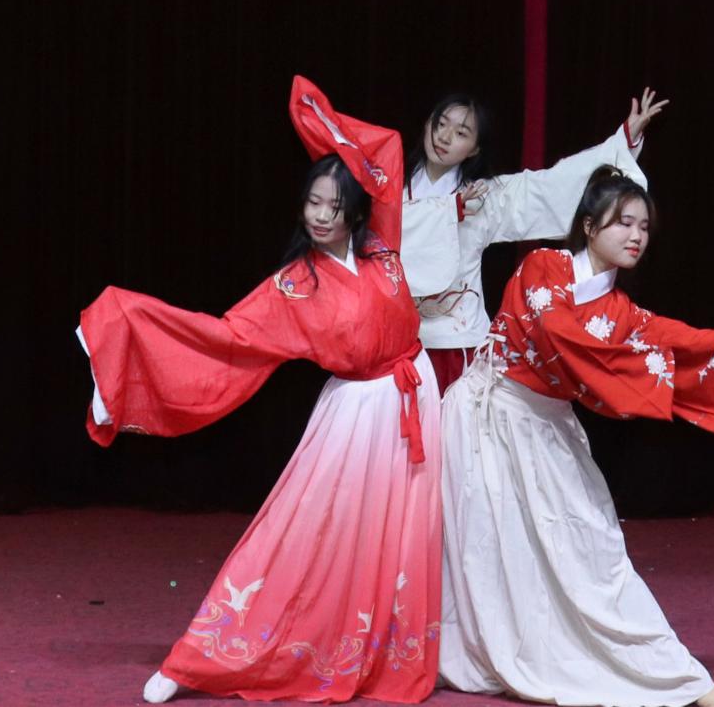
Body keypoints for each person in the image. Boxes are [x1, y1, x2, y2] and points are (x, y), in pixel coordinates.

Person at [75, 77, 442, 704]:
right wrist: (128, 329)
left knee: (403, 538)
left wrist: (322, 127)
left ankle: (377, 651)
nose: (320, 216)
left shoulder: (382, 245)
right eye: (312, 203)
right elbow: (226, 340)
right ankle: (201, 659)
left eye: (333, 205)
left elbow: (384, 148)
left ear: (357, 210)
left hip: (414, 398)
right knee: (304, 534)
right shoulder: (295, 285)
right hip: (355, 414)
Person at [439, 166, 714, 707]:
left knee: (594, 545)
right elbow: (557, 333)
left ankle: (667, 672)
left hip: (547, 425)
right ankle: (487, 652)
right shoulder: (543, 266)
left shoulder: (625, 316)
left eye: (644, 226)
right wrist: (620, 359)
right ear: (589, 226)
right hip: (488, 418)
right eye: (623, 223)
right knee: (486, 550)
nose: (637, 235)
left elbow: (694, 343)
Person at [400, 88, 668, 393]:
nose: (444, 137)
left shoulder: (485, 199)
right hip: (395, 338)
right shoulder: (390, 188)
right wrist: (450, 210)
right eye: (440, 124)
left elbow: (548, 187)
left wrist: (622, 143)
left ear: (475, 149)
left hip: (456, 343)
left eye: (461, 133)